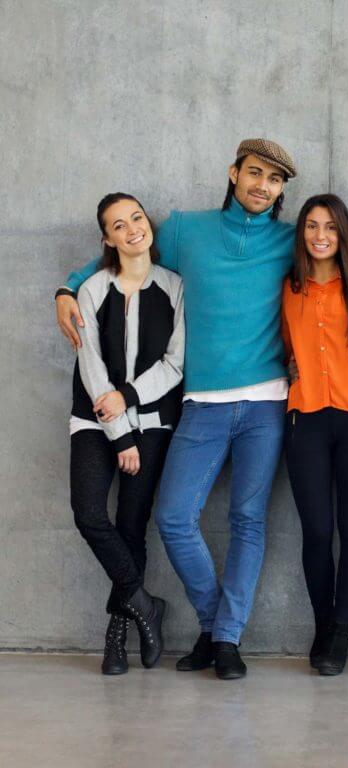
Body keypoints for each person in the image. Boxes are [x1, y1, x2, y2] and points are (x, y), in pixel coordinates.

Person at [56, 139, 296, 680]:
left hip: (266, 403)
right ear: (234, 173)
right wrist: (67, 288)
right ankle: (212, 623)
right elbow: (127, 246)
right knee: (173, 518)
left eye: (275, 180)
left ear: (282, 190)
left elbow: (342, 261)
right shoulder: (187, 229)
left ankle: (225, 638)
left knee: (247, 521)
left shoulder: (289, 240)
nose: (263, 185)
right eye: (254, 173)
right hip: (201, 403)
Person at [69, 193, 184, 674]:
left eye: (136, 217)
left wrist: (131, 399)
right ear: (107, 238)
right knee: (91, 514)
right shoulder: (91, 289)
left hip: (153, 422)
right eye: (119, 224)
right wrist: (118, 434)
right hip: (94, 421)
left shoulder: (175, 287)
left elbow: (175, 363)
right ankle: (143, 604)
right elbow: (90, 363)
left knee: (132, 527)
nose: (132, 228)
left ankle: (115, 640)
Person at [282, 194, 348, 676]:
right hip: (306, 418)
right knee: (317, 530)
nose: (321, 235)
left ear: (343, 234)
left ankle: (342, 632)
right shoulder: (287, 286)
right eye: (312, 226)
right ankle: (323, 624)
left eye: (331, 227)